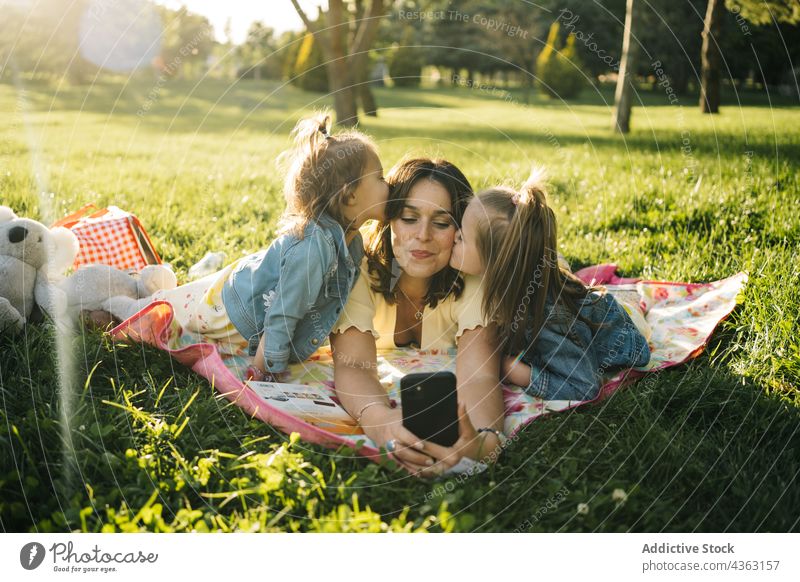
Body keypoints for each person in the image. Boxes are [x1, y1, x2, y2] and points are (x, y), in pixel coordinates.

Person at [105, 113, 389, 375]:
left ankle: (140, 292)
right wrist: (267, 369)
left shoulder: (351, 244)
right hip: (227, 307)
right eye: (380, 178)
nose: (388, 186)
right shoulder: (313, 248)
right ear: (349, 195)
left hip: (244, 294)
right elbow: (283, 313)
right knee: (156, 315)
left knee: (168, 306)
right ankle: (106, 307)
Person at [329, 158, 506, 478]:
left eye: (441, 222)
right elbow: (353, 364)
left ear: (462, 229)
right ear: (389, 219)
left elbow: (479, 375)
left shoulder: (470, 278)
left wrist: (481, 439)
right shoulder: (354, 271)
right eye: (409, 218)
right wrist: (382, 422)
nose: (422, 235)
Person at [449, 169, 651, 402]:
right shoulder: (512, 289)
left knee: (626, 311)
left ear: (496, 262)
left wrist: (519, 373)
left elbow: (585, 386)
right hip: (587, 309)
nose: (454, 235)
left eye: (462, 237)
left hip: (623, 338)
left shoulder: (549, 319)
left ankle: (629, 301)